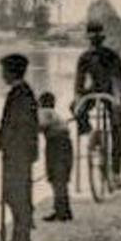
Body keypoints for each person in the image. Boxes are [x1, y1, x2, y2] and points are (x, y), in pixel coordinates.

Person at [74, 21, 121, 188]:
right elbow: (79, 81)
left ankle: (116, 172)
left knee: (118, 127)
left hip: (113, 91)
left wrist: (118, 99)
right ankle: (91, 134)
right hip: (96, 89)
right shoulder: (84, 57)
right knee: (75, 108)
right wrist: (78, 99)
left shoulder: (111, 55)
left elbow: (118, 78)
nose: (94, 41)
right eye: (91, 37)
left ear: (102, 38)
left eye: (97, 37)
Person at [0, 54, 38, 241]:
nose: (2, 75)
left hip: (17, 153)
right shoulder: (24, 92)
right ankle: (20, 239)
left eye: (4, 71)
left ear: (11, 72)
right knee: (17, 195)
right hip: (21, 152)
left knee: (15, 195)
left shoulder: (19, 94)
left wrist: (1, 141)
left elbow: (13, 124)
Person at [37, 91, 74, 221]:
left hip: (56, 145)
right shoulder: (55, 114)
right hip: (65, 143)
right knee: (61, 179)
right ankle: (64, 209)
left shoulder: (45, 112)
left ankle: (61, 211)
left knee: (56, 178)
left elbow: (41, 125)